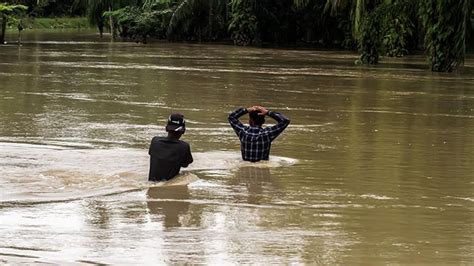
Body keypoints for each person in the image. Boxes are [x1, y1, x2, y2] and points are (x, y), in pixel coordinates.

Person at [148, 113, 193, 181]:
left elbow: (152, 154)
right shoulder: (184, 146)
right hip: (167, 184)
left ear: (166, 128)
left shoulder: (155, 141)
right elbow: (185, 164)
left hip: (151, 184)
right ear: (183, 131)